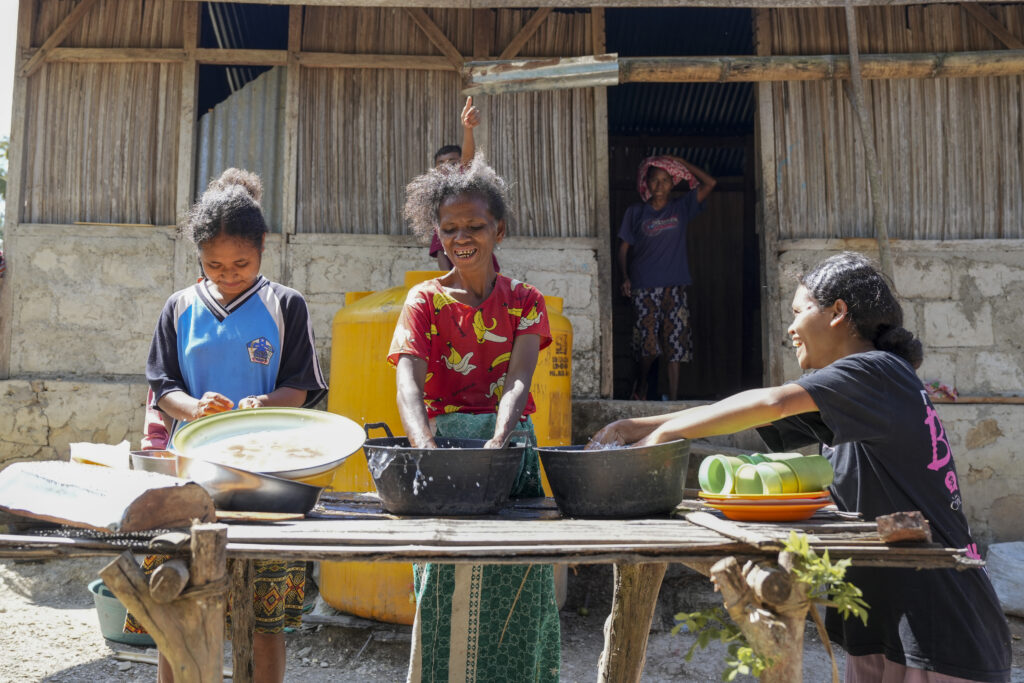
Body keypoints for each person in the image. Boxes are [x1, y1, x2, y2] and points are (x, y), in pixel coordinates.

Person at [591, 252, 1012, 683]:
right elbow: (754, 412)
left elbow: (770, 402)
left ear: (838, 312)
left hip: (941, 626)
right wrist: (633, 426)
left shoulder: (877, 371)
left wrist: (662, 435)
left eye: (798, 312)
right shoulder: (858, 398)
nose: (790, 329)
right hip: (882, 624)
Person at [133, 170, 328, 683]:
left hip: (267, 484)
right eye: (213, 265)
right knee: (178, 605)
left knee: (264, 618)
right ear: (198, 255)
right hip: (187, 481)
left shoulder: (286, 306)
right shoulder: (179, 308)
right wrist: (194, 408)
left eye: (240, 264)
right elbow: (163, 386)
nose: (227, 274)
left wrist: (259, 404)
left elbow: (302, 387)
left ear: (263, 247)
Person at [389, 158, 560, 682]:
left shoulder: (526, 302)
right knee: (442, 585)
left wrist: (499, 438)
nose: (462, 238)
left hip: (510, 457)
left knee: (519, 589)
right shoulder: (424, 300)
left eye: (475, 227)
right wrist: (425, 446)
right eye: (450, 229)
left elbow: (517, 380)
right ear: (437, 236)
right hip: (442, 460)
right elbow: (408, 384)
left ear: (499, 229)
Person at [618, 155, 716, 401]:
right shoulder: (636, 212)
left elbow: (710, 183)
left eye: (665, 180)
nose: (659, 185)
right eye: (654, 180)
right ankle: (641, 385)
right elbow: (623, 249)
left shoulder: (680, 208)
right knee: (649, 345)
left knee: (675, 345)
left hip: (675, 286)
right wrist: (625, 277)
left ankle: (672, 400)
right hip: (643, 286)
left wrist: (680, 162)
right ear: (646, 183)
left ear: (673, 184)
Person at [428, 96, 498, 272]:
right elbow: (440, 250)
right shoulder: (436, 199)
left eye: (452, 161)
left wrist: (468, 130)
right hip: (455, 269)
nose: (446, 166)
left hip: (481, 264)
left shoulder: (465, 183)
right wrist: (448, 282)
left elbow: (468, 159)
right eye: (441, 163)